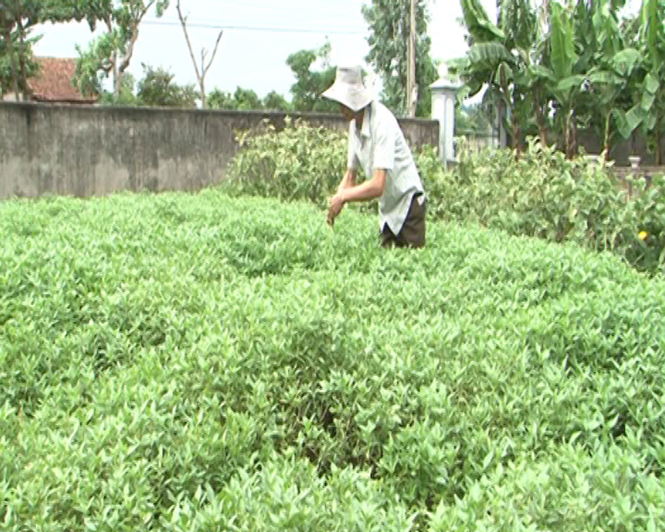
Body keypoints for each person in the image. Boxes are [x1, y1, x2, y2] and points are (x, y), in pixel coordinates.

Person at [323, 64, 427, 248]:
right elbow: (350, 175)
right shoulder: (354, 125)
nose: (341, 109)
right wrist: (335, 203)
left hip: (408, 205)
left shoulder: (382, 121)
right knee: (386, 268)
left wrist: (344, 197)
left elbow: (378, 185)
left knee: (413, 267)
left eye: (343, 102)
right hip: (387, 209)